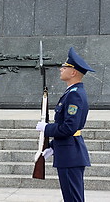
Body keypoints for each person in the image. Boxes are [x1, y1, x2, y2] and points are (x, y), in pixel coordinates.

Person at [36, 47, 94, 202]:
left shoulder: (75, 95)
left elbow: (69, 127)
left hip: (71, 156)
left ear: (73, 72)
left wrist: (47, 128)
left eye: (65, 67)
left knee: (73, 199)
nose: (61, 69)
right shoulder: (72, 92)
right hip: (68, 152)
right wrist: (53, 147)